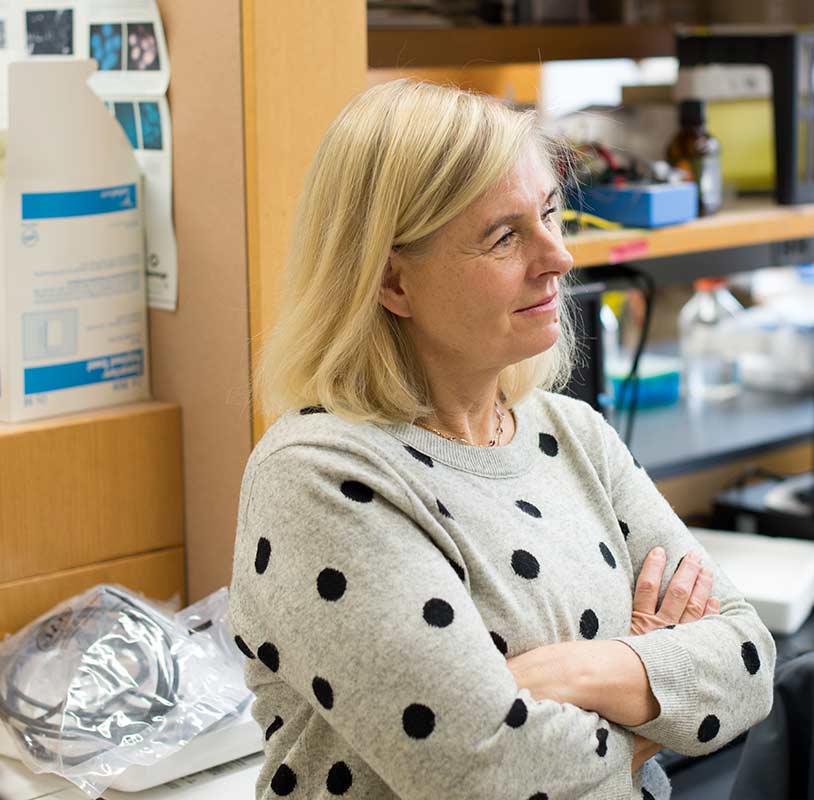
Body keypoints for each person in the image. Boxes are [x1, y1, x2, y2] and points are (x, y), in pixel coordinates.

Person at [227, 79, 776, 800]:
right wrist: (653, 683)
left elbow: (747, 660)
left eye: (550, 213)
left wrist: (579, 672)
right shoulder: (320, 480)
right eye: (505, 236)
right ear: (393, 282)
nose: (559, 258)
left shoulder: (573, 433)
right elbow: (486, 773)